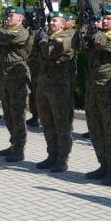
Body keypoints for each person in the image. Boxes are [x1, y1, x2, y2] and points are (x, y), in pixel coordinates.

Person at [83, 5, 111, 186]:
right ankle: (103, 164)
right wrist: (85, 28)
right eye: (104, 18)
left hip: (109, 91)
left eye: (109, 18)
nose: (105, 20)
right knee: (95, 130)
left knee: (110, 131)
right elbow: (84, 45)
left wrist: (95, 31)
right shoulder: (98, 36)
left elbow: (101, 43)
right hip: (93, 89)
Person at [34, 11, 78, 172]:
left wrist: (43, 42)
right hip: (44, 85)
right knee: (47, 123)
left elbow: (49, 53)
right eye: (50, 20)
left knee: (62, 125)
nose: (51, 23)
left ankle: (62, 159)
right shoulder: (51, 38)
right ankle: (52, 155)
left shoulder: (67, 37)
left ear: (64, 23)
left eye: (55, 21)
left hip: (60, 87)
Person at [0, 6, 31, 162]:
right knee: (8, 114)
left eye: (11, 16)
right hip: (6, 77)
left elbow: (7, 37)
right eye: (7, 16)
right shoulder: (4, 33)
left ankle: (19, 149)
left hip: (18, 77)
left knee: (18, 115)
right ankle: (13, 143)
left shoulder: (22, 32)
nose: (8, 18)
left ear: (20, 18)